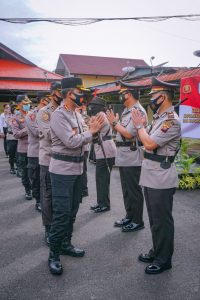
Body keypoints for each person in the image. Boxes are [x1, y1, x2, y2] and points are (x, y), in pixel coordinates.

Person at [48, 77, 104, 275]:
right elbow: (72, 142)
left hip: (78, 169)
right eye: (80, 92)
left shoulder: (77, 115)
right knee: (62, 213)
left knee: (72, 211)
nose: (83, 96)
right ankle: (53, 254)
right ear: (69, 93)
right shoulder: (59, 115)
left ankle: (66, 244)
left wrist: (94, 131)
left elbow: (85, 140)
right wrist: (91, 132)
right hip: (62, 171)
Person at [131, 77, 181, 275]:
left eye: (153, 96)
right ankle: (157, 250)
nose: (151, 99)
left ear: (163, 97)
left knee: (162, 220)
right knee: (154, 219)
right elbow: (145, 142)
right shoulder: (159, 119)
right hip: (151, 174)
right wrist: (142, 126)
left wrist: (139, 127)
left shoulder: (171, 121)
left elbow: (150, 144)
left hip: (161, 176)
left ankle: (164, 259)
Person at [106, 82, 147, 232]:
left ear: (129, 94)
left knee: (133, 190)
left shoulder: (137, 111)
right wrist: (114, 124)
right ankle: (129, 216)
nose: (121, 95)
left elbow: (129, 133)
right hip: (124, 155)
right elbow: (120, 130)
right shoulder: (127, 110)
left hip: (132, 155)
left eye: (123, 92)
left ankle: (138, 220)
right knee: (126, 190)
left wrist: (114, 123)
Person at [36, 82, 62, 244]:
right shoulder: (44, 113)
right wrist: (68, 134)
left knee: (61, 196)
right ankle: (48, 228)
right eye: (60, 92)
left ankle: (60, 226)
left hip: (63, 161)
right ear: (53, 93)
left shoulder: (66, 111)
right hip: (48, 160)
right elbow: (49, 136)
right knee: (48, 196)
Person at [88, 96, 116, 213]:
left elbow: (92, 129)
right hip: (102, 149)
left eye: (92, 106)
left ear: (97, 107)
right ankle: (101, 202)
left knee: (103, 179)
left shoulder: (101, 116)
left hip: (106, 150)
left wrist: (89, 123)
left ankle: (104, 204)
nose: (90, 108)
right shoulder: (99, 115)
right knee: (100, 179)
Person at [26, 92, 51, 212]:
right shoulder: (31, 115)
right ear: (43, 100)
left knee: (46, 181)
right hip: (35, 152)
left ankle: (45, 201)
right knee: (36, 179)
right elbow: (37, 132)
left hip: (47, 153)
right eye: (48, 99)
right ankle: (38, 201)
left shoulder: (51, 113)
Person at [11, 95, 32, 200]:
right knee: (25, 173)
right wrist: (28, 129)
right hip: (24, 150)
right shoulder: (15, 118)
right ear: (19, 104)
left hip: (35, 149)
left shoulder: (33, 115)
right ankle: (28, 190)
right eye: (25, 103)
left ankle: (35, 190)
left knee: (35, 172)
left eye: (28, 103)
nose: (27, 105)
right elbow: (16, 134)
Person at [5, 103, 18, 174]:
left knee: (18, 154)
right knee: (11, 154)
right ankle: (12, 167)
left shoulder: (17, 115)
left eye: (13, 107)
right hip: (11, 137)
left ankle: (18, 167)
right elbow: (11, 124)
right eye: (10, 108)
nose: (12, 109)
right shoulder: (7, 116)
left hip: (18, 137)